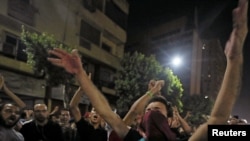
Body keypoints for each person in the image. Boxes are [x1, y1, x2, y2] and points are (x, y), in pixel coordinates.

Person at [47, 0, 248, 140]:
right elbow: (107, 112)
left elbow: (217, 119)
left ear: (170, 120)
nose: (151, 114)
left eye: (157, 111)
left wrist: (233, 59)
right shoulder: (133, 138)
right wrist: (81, 75)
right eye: (149, 111)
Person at [69, 74, 107, 141]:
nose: (96, 113)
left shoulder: (104, 134)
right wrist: (81, 89)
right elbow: (73, 107)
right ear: (90, 114)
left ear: (102, 118)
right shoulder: (83, 126)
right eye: (94, 110)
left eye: (99, 112)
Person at [0, 75, 26, 141]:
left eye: (16, 113)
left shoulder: (19, 137)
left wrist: (5, 89)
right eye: (8, 111)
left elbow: (22, 106)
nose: (13, 114)